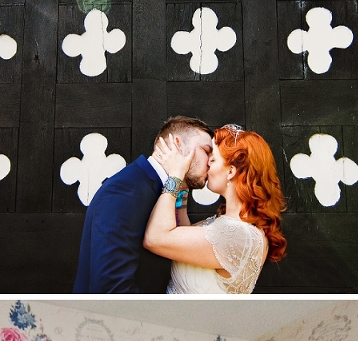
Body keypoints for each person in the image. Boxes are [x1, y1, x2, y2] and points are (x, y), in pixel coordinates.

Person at [73, 117, 213, 294]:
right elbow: (111, 288)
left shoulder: (163, 191)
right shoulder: (125, 191)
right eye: (206, 151)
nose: (210, 161)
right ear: (177, 145)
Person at [143, 126, 286, 294]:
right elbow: (181, 235)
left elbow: (155, 238)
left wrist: (175, 175)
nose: (207, 163)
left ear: (231, 171)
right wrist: (183, 185)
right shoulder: (229, 224)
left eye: (213, 159)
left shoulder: (237, 235)